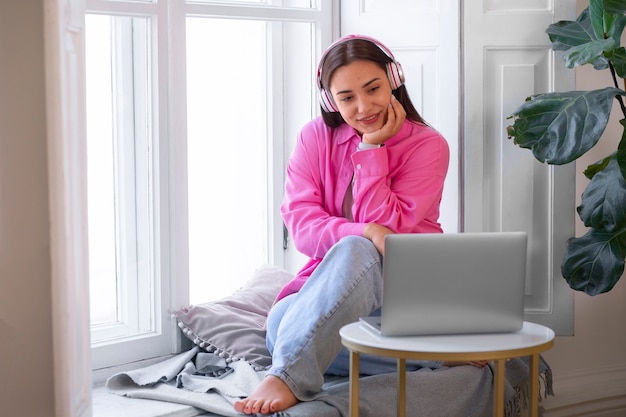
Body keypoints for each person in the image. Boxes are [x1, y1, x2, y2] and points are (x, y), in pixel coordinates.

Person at [234, 34, 481, 415]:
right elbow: (303, 226)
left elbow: (388, 233)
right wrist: (362, 232)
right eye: (347, 97)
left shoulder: (428, 146)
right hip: (329, 291)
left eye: (373, 89)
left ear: (394, 79)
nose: (364, 107)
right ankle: (430, 356)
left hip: (405, 291)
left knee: (355, 252)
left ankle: (289, 375)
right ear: (330, 100)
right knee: (282, 323)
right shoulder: (314, 137)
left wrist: (370, 152)